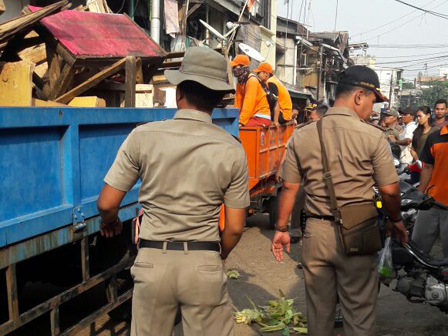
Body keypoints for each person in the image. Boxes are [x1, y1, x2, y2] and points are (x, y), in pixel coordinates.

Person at [97, 47, 250, 336]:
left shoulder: (143, 136)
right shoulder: (232, 150)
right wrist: (217, 257)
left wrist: (110, 223)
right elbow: (235, 228)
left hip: (153, 263)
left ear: (179, 92)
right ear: (218, 99)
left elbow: (107, 203)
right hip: (203, 262)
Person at [271, 65, 408, 336]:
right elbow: (390, 191)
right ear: (359, 96)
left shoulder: (303, 134)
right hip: (359, 232)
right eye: (372, 101)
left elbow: (289, 187)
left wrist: (281, 229)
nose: (372, 109)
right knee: (358, 315)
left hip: (316, 233)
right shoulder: (373, 137)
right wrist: (396, 221)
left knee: (319, 315)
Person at [412, 121, 448, 257]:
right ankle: (416, 276)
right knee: (417, 249)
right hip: (431, 202)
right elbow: (428, 168)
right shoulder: (435, 137)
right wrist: (420, 194)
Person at [230, 55, 271, 127]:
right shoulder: (240, 82)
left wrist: (241, 122)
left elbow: (249, 102)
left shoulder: (252, 80)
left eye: (235, 66)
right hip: (252, 116)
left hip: (261, 115)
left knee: (243, 130)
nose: (234, 69)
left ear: (243, 67)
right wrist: (235, 119)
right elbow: (238, 102)